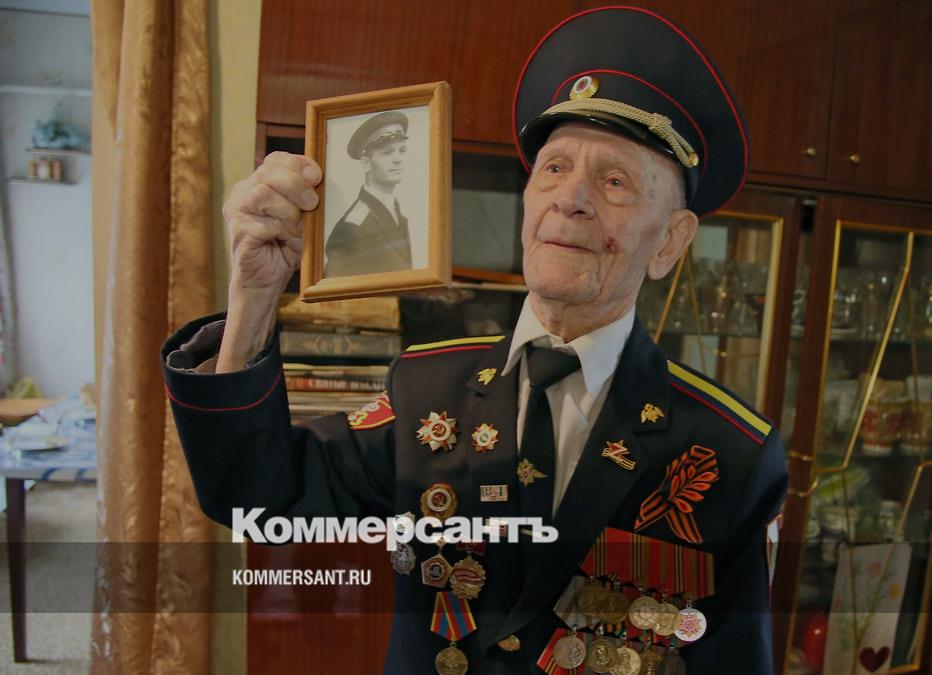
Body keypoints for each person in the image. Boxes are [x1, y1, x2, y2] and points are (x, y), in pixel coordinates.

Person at [163, 6, 786, 674]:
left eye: (615, 181)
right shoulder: (426, 387)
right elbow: (254, 500)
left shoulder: (731, 451)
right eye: (553, 168)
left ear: (670, 241)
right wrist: (254, 296)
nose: (570, 198)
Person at [324, 110, 413, 277]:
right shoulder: (352, 228)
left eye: (402, 150)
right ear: (366, 163)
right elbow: (335, 290)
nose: (398, 159)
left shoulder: (396, 212)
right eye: (387, 152)